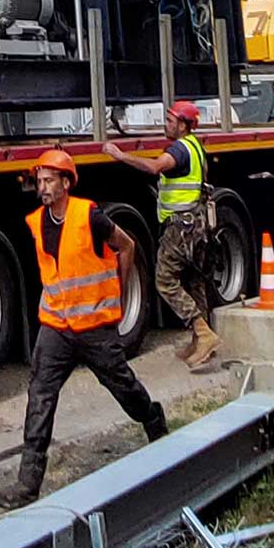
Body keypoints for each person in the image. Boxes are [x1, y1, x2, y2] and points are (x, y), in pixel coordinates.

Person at [0, 150, 169, 509]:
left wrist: (117, 296)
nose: (42, 187)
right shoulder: (36, 222)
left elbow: (127, 246)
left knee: (121, 384)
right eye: (39, 181)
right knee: (40, 395)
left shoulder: (89, 215)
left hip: (93, 326)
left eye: (48, 181)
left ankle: (153, 420)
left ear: (66, 183)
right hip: (56, 325)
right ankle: (27, 484)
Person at [101, 100, 221, 368]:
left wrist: (120, 155)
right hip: (197, 225)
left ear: (183, 125)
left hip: (181, 227)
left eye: (170, 120)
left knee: (165, 280)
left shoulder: (179, 149)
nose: (165, 124)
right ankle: (199, 341)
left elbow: (156, 167)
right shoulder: (197, 148)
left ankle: (203, 333)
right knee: (193, 280)